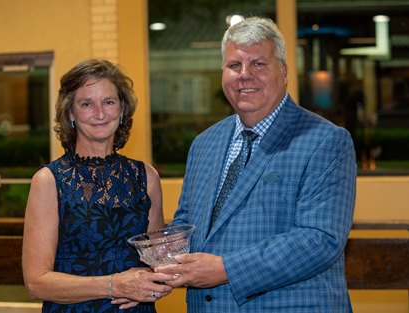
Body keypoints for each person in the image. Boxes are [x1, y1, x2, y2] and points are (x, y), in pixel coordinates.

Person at [155, 16, 357, 312]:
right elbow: (188, 224)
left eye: (258, 64)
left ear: (284, 71)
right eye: (234, 65)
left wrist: (225, 269)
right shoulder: (204, 144)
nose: (244, 75)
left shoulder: (326, 140)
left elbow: (320, 240)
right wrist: (157, 250)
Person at [22, 59, 174, 312]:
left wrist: (162, 277)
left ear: (122, 109)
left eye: (109, 102)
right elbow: (36, 283)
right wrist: (115, 285)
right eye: (86, 104)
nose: (100, 114)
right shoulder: (49, 181)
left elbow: (156, 263)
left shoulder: (145, 176)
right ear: (70, 113)